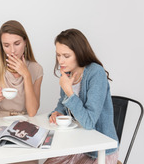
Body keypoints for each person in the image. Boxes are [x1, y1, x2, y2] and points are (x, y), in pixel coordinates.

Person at [44, 29, 119, 164]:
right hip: (78, 145)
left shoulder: (96, 73)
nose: (61, 61)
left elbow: (89, 122)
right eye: (58, 55)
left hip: (99, 152)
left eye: (66, 56)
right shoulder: (67, 73)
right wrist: (57, 112)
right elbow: (63, 103)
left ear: (79, 54)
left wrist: (69, 92)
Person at [0, 20, 43, 118]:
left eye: (17, 43)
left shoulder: (36, 69)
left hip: (23, 122)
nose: (12, 50)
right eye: (6, 45)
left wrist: (26, 75)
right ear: (1, 46)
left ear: (25, 42)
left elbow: (32, 112)